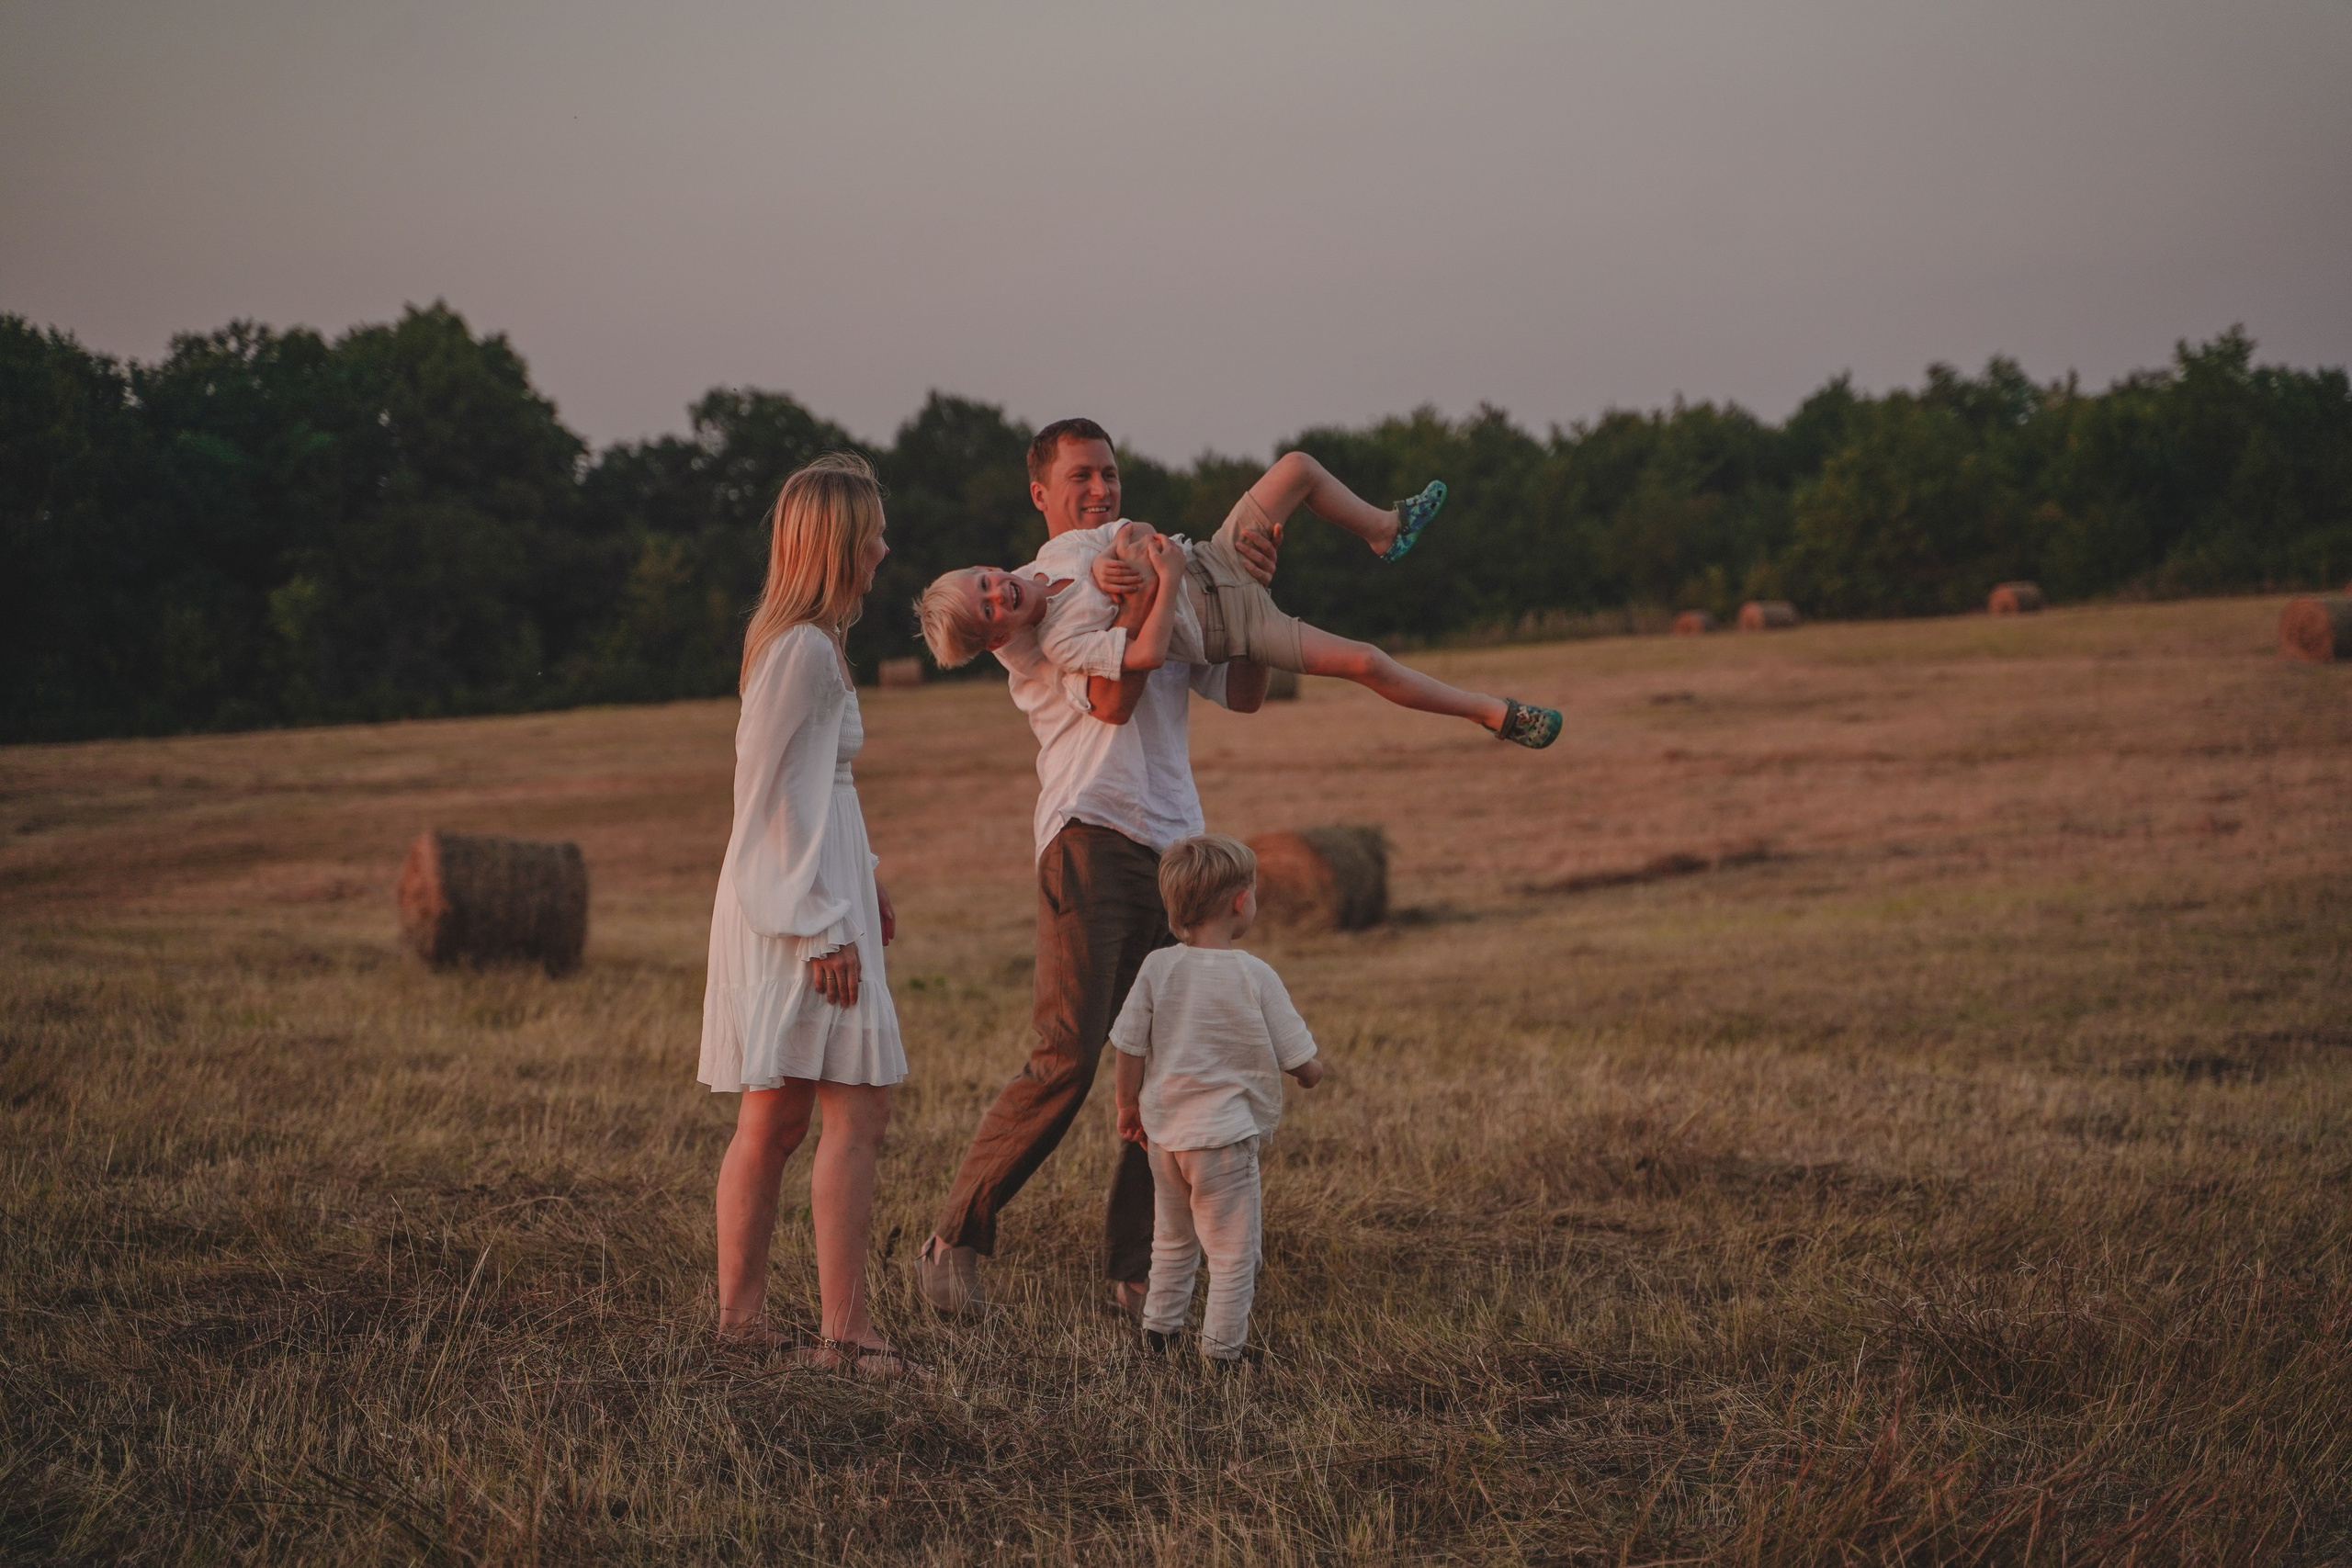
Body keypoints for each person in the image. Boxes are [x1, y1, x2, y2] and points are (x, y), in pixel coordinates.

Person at [913, 419, 1280, 1318]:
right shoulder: (1041, 593)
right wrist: (1132, 575)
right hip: (1091, 838)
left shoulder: (1140, 573)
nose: (1100, 491)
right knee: (1067, 1059)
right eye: (1080, 478)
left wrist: (1253, 604)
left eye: (1109, 476)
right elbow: (1113, 703)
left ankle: (1133, 1272)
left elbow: (1241, 691)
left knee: (1164, 1071)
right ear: (1040, 495)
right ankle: (953, 1238)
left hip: (1174, 848)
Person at [701, 452, 916, 1377]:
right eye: (872, 529)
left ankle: (751, 1329)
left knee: (781, 1119)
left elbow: (820, 787)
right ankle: (844, 1334)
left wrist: (864, 878)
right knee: (849, 1114)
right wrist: (821, 923)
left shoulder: (812, 643)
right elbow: (767, 802)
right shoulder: (797, 651)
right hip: (794, 910)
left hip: (818, 895)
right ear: (837, 541)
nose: (884, 546)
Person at [913, 455, 1563, 746]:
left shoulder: (1058, 556)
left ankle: (1384, 530)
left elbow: (1133, 530)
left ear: (985, 565)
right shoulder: (1059, 644)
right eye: (991, 608)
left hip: (1217, 556)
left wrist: (1127, 553)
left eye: (985, 580)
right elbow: (1146, 651)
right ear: (998, 637)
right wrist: (1158, 585)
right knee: (1366, 662)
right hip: (1236, 624)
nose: (999, 591)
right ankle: (1496, 714)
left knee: (1297, 468)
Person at [1111, 834, 1323, 1364]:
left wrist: (1127, 1106)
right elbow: (1297, 1055)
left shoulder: (1158, 968)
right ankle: (1223, 1354)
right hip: (1222, 1140)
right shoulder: (1254, 974)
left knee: (1173, 1240)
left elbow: (1128, 1048)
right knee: (1232, 1255)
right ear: (1238, 902)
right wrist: (1311, 1071)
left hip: (1165, 1137)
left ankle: (1159, 1335)